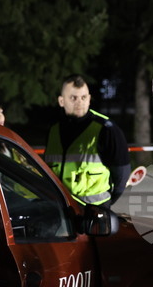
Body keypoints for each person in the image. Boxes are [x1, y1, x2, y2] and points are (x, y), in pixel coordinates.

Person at [44, 75, 130, 206]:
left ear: (89, 99)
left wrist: (109, 204)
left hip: (95, 209)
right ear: (61, 101)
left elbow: (121, 174)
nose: (79, 102)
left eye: (83, 97)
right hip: (61, 207)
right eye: (73, 98)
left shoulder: (106, 129)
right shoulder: (53, 130)